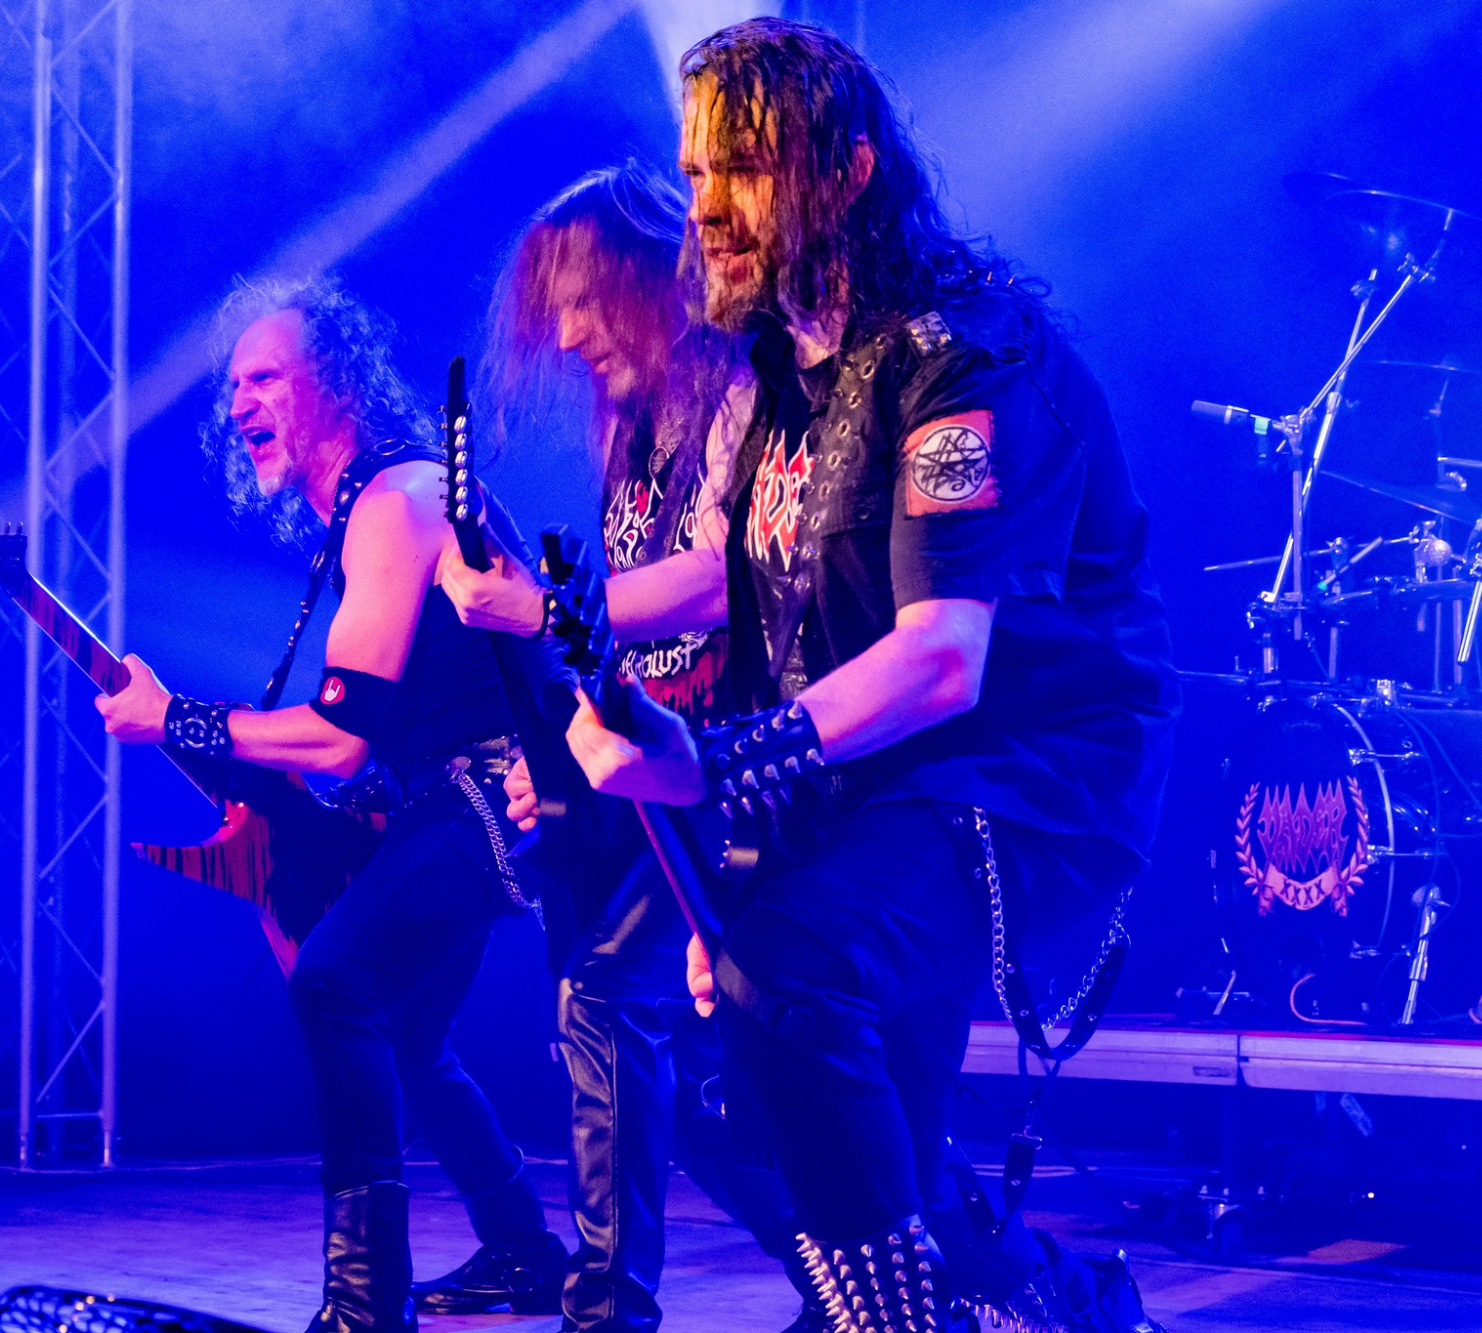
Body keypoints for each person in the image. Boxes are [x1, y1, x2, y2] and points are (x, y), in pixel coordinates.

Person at [560, 19, 1178, 1332]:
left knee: (789, 981)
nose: (704, 208)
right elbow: (773, 624)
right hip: (871, 794)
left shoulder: (965, 357)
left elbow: (941, 661)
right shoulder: (781, 377)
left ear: (844, 173)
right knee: (749, 1085)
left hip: (1023, 782)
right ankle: (1061, 1301)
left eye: (743, 168)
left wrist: (711, 763)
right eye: (695, 172)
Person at [96, 278, 570, 1333]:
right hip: (452, 795)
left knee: (335, 980)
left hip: (497, 796)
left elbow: (339, 733)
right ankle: (524, 1251)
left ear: (336, 384)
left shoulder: (395, 500)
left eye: (264, 378)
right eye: (233, 386)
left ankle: (363, 1307)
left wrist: (177, 719)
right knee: (405, 1032)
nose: (239, 404)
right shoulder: (372, 504)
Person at [435, 164, 830, 1333]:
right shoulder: (627, 421)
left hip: (766, 770)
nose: (563, 336)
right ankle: (854, 1286)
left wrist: (545, 605)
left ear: (648, 274)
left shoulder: (744, 383)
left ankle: (608, 1312)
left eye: (580, 300)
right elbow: (627, 645)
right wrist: (561, 750)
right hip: (675, 773)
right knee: (700, 1079)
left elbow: (720, 579)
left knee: (614, 999)